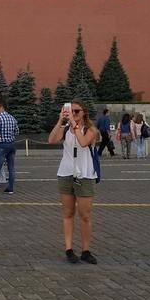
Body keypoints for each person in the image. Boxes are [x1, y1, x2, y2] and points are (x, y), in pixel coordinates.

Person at [48, 100, 99, 264]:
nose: (73, 114)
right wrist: (60, 121)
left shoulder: (91, 130)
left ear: (84, 112)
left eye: (76, 111)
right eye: (70, 111)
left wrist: (74, 124)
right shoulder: (66, 130)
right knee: (68, 214)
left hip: (84, 175)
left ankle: (85, 250)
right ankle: (69, 249)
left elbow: (84, 143)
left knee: (85, 215)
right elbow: (51, 140)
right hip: (66, 173)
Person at [0, 99, 19, 195]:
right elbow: (17, 131)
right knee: (11, 167)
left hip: (2, 145)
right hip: (12, 145)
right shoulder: (12, 117)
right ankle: (10, 188)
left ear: (1, 107)